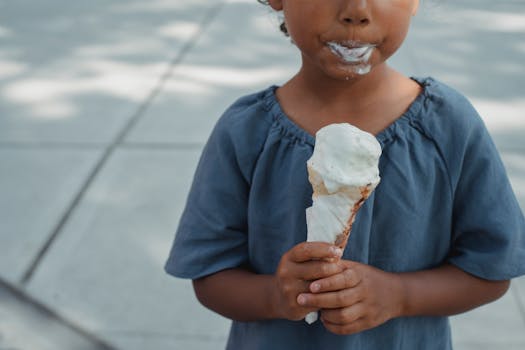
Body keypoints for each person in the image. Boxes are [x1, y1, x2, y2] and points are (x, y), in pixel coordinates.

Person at [165, 0, 525, 349]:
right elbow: (211, 277)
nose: (357, 11)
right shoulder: (245, 133)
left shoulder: (449, 127)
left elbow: (491, 272)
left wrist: (400, 296)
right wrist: (275, 295)